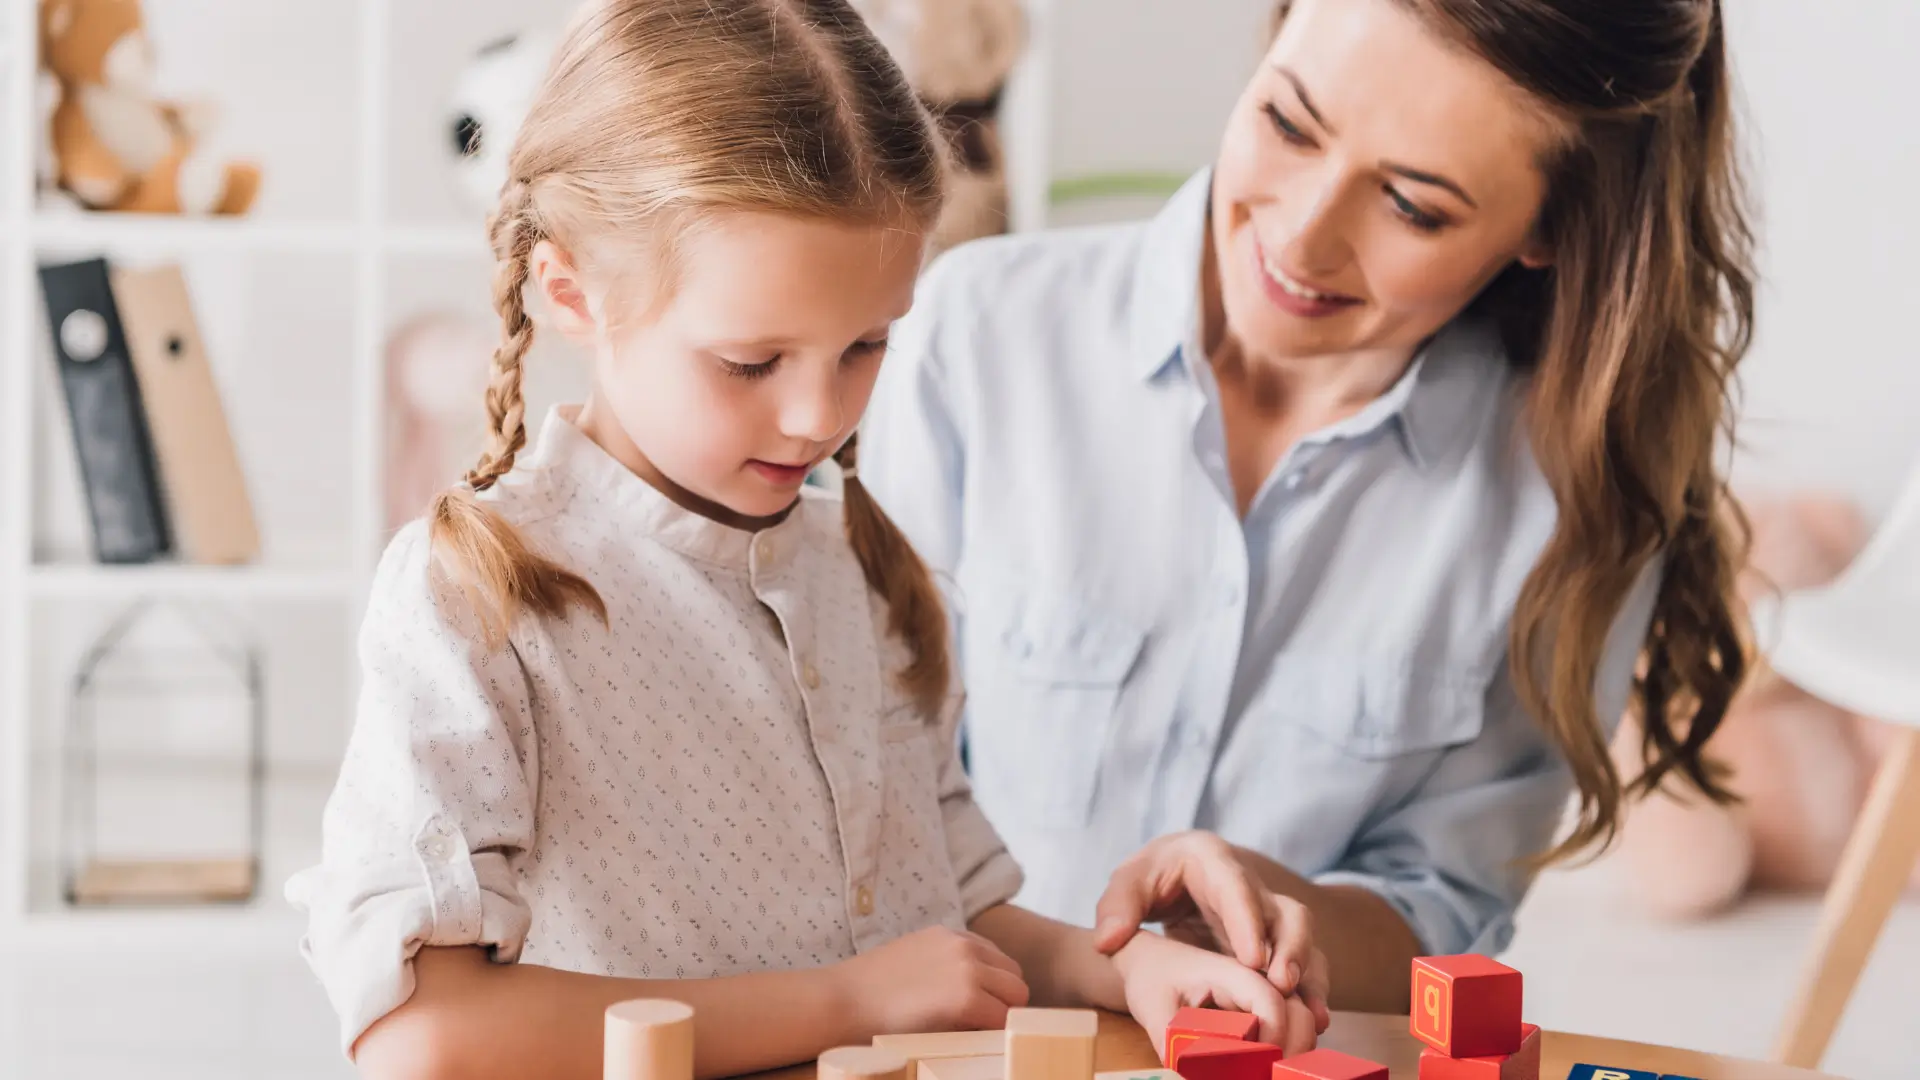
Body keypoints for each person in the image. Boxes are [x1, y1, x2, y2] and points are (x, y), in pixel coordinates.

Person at [285, 2, 1325, 1078]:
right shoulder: (476, 599)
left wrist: (1127, 972)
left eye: (866, 344)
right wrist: (843, 1003)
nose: (817, 415)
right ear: (570, 293)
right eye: (750, 361)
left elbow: (949, 940)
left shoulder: (862, 574)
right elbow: (424, 1037)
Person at [861, 0, 1754, 1014]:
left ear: (1550, 226)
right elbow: (864, 796)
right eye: (1288, 123)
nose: (1302, 235)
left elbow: (1445, 904)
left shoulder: (1566, 496)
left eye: (1414, 205)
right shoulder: (977, 336)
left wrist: (1277, 925)